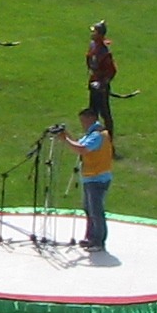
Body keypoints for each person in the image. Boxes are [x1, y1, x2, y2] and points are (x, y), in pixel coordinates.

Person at [62, 106, 113, 253]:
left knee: (96, 211)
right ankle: (91, 237)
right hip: (90, 177)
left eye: (83, 120)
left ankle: (98, 241)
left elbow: (82, 149)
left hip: (98, 178)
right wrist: (66, 135)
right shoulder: (91, 134)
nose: (82, 124)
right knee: (89, 209)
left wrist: (65, 139)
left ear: (91, 119)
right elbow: (79, 144)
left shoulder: (97, 135)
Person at [85, 21, 117, 146]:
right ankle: (93, 139)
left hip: (101, 88)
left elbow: (112, 71)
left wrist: (103, 84)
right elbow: (89, 58)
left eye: (95, 32)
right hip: (93, 83)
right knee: (92, 112)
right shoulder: (93, 45)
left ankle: (109, 142)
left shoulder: (105, 53)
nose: (92, 34)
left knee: (105, 114)